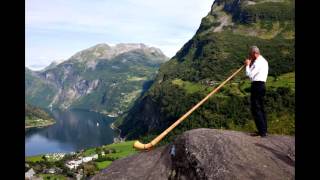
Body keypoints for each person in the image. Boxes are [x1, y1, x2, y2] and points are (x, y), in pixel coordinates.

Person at [244, 46, 269, 137]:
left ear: (255, 53)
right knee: (261, 108)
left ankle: (261, 132)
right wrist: (250, 65)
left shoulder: (258, 62)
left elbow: (249, 75)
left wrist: (247, 65)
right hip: (262, 85)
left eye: (250, 54)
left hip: (257, 86)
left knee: (256, 108)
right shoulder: (263, 61)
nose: (250, 56)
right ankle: (264, 130)